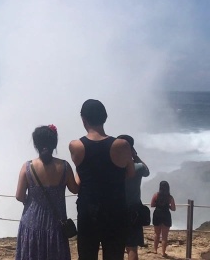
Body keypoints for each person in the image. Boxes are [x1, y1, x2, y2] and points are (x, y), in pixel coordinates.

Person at [69, 99, 135, 260]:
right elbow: (130, 173)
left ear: (83, 119)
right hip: (116, 210)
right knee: (114, 255)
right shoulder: (122, 145)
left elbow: (81, 173)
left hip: (88, 211)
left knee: (87, 255)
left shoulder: (75, 145)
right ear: (104, 117)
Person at [15, 124, 79, 260]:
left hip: (31, 224)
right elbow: (75, 189)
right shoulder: (65, 166)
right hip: (56, 226)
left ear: (36, 144)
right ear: (54, 143)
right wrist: (81, 170)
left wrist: (31, 201)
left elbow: (19, 196)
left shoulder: (27, 167)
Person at [118, 135, 150, 260]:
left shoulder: (113, 168)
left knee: (116, 247)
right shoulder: (138, 167)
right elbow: (147, 171)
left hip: (116, 210)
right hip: (134, 211)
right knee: (132, 248)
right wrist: (135, 155)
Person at [151, 181, 176, 257]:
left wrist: (158, 205)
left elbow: (152, 205)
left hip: (157, 214)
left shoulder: (156, 195)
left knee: (156, 234)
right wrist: (168, 206)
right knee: (165, 236)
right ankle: (163, 252)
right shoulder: (170, 197)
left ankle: (155, 250)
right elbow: (173, 208)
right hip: (166, 215)